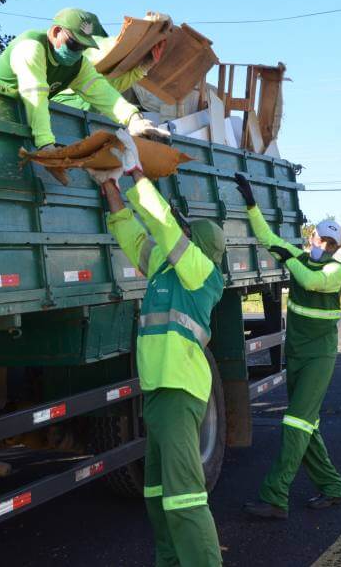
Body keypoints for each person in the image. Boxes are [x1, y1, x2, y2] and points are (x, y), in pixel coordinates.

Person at [89, 130, 224, 567]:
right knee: (156, 494)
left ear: (197, 246)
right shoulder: (165, 271)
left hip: (180, 392)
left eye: (186, 234)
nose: (177, 234)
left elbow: (164, 226)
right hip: (159, 392)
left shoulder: (202, 274)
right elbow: (133, 236)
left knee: (184, 497)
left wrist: (136, 173)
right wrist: (111, 188)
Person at [233, 172, 341, 520]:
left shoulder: (335, 270)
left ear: (337, 248)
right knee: (306, 425)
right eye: (321, 239)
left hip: (318, 357)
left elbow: (309, 280)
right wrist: (251, 204)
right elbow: (267, 236)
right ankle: (332, 487)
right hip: (296, 354)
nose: (324, 246)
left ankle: (275, 496)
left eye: (330, 244)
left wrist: (289, 257)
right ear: (311, 236)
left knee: (296, 423)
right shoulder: (298, 256)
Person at [0, 8, 168, 150]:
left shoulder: (77, 64)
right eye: (74, 44)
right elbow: (35, 94)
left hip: (22, 119)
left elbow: (102, 91)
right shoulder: (31, 48)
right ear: (56, 32)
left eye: (83, 47)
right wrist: (45, 144)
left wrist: (134, 118)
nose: (77, 52)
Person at [51, 11, 167, 112]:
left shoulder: (97, 82)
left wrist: (145, 66)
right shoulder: (83, 58)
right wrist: (143, 28)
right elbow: (104, 49)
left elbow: (116, 85)